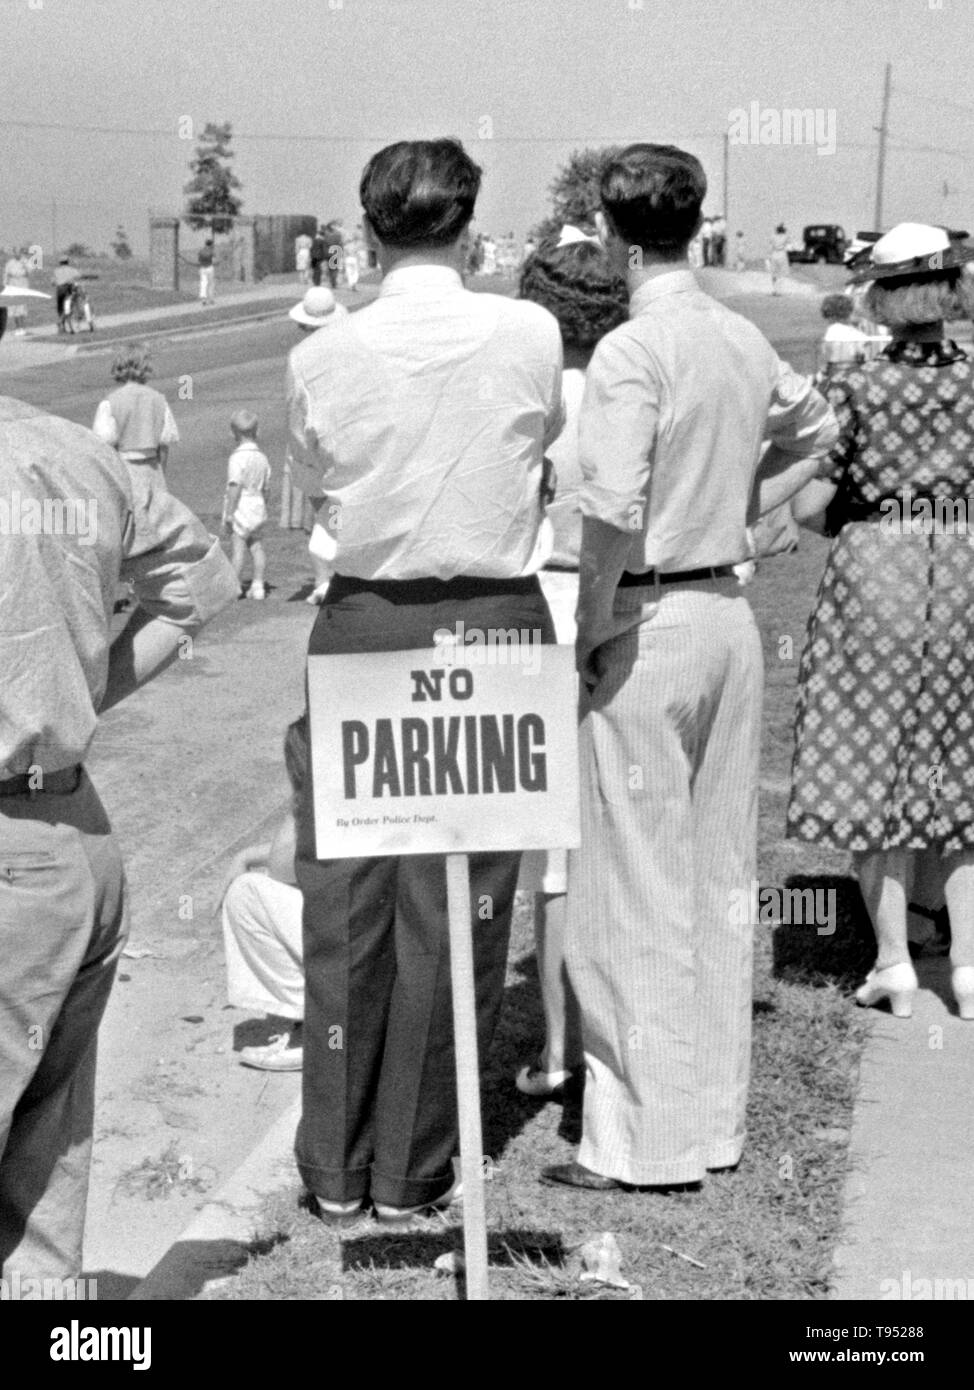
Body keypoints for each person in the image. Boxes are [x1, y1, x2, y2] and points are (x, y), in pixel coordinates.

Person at [541, 143, 837, 1195]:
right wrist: (740, 518)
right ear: (696, 227)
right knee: (717, 877)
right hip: (724, 610)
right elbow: (817, 432)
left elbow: (611, 507)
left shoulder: (632, 349)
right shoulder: (739, 336)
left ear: (616, 240)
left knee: (632, 884)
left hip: (651, 613)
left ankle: (639, 1141)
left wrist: (590, 620)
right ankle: (709, 1121)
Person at [286, 137, 564, 1227]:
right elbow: (535, 441)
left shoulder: (324, 353)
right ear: (469, 228)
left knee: (345, 902)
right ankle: (410, 1163)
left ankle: (338, 1162)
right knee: (463, 900)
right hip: (490, 618)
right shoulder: (530, 329)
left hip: (366, 616)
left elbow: (321, 474)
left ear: (367, 229)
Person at [0, 392, 238, 1283]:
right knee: (48, 1148)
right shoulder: (81, 453)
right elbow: (198, 593)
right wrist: (70, 703)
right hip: (73, 832)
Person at [788, 222, 974, 1021]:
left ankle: (894, 960)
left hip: (877, 571)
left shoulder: (855, 385)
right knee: (961, 764)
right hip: (964, 567)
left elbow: (808, 508)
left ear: (885, 296)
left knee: (870, 757)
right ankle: (967, 967)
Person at [514, 228, 629, 1099]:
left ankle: (557, 1049)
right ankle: (611, 1035)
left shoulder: (524, 386)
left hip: (540, 604)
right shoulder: (631, 383)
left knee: (553, 852)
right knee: (618, 832)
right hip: (620, 602)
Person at [217, 717, 308, 1070]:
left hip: (355, 940)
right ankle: (320, 1019)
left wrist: (302, 792)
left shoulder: (319, 792)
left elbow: (282, 866)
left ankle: (314, 1030)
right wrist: (246, 854)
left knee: (246, 893)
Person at [282, 287, 349, 599]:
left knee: (323, 510)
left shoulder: (299, 358)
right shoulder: (346, 348)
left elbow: (295, 406)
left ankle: (325, 577)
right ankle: (334, 572)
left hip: (310, 446)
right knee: (337, 511)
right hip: (342, 441)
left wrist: (301, 451)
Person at [92, 343, 180, 556]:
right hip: (152, 468)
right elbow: (164, 443)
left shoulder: (111, 402)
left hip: (124, 468)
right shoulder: (158, 400)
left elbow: (103, 443)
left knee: (128, 524)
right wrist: (161, 476)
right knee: (155, 520)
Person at [223, 409, 271, 600]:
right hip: (258, 503)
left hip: (242, 505)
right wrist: (264, 505)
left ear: (233, 432)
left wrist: (229, 512)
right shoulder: (262, 457)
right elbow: (267, 487)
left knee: (238, 548)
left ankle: (234, 587)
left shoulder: (236, 458)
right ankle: (258, 585)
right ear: (256, 431)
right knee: (257, 546)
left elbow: (234, 487)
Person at [817, 293, 869, 374]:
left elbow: (825, 360)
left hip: (836, 373)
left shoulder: (832, 331)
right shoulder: (858, 334)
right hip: (854, 372)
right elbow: (863, 356)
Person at [3, 250, 30, 336]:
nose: (17, 254)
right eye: (15, 252)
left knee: (22, 307)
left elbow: (29, 271)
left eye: (19, 252)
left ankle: (22, 328)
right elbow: (6, 274)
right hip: (13, 286)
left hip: (23, 285)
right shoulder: (10, 263)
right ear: (14, 253)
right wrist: (5, 285)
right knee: (14, 308)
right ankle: (17, 328)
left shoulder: (25, 261)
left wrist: (24, 265)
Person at [52, 256, 81, 333]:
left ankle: (62, 327)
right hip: (68, 289)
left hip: (59, 290)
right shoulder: (72, 270)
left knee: (60, 308)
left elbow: (53, 282)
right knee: (69, 307)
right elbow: (78, 276)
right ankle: (60, 321)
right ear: (68, 262)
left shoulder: (56, 270)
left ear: (60, 262)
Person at [769, 223, 790, 294]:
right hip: (782, 254)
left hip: (774, 253)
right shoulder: (786, 236)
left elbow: (770, 245)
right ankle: (779, 290)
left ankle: (775, 289)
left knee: (774, 273)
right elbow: (789, 244)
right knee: (781, 273)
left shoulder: (773, 236)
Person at [198, 238, 216, 305]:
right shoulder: (211, 251)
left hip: (202, 268)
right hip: (209, 268)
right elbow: (214, 261)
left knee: (203, 284)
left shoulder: (201, 251)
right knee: (211, 284)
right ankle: (211, 299)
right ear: (211, 244)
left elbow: (199, 260)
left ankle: (203, 300)